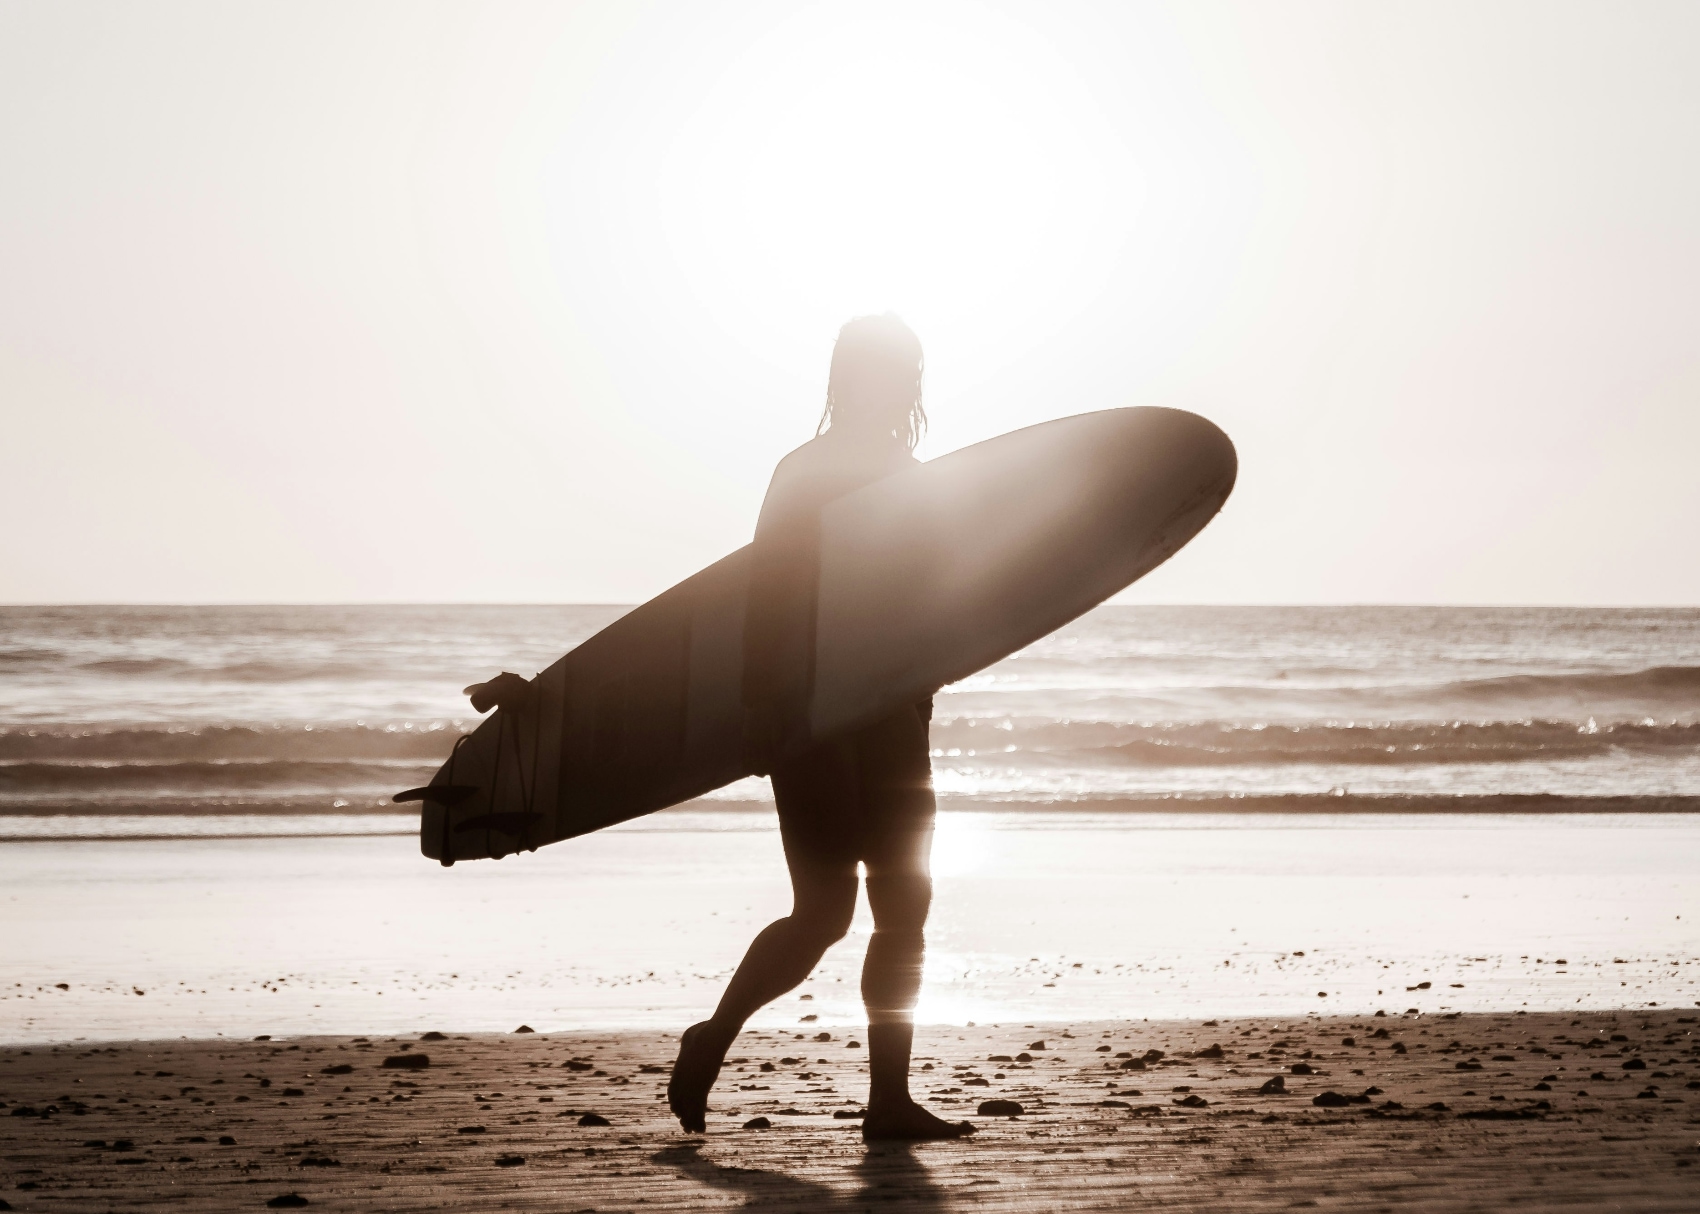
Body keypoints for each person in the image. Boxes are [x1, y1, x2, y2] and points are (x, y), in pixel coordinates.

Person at [666, 314, 973, 1141]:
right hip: (814, 716)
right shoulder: (803, 473)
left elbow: (928, 601)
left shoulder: (914, 475)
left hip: (895, 717)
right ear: (850, 378)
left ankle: (889, 1101)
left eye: (909, 372)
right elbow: (769, 599)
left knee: (906, 905)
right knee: (825, 913)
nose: (901, 387)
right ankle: (713, 1037)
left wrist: (932, 684)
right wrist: (771, 712)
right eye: (887, 371)